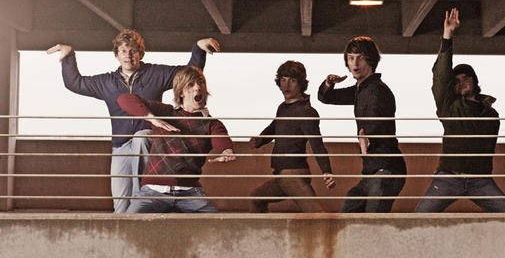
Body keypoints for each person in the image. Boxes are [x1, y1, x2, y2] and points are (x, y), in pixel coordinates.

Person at [46, 29, 220, 213]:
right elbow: (75, 83)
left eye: (133, 51)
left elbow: (187, 74)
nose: (128, 56)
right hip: (120, 146)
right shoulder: (106, 82)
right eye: (123, 51)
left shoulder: (156, 74)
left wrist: (198, 49)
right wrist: (68, 56)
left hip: (148, 142)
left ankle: (144, 200)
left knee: (141, 139)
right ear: (117, 55)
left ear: (140, 53)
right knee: (120, 207)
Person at [414, 8, 505, 212]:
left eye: (466, 77)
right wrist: (448, 35)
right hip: (449, 177)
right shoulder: (449, 107)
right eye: (457, 80)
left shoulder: (490, 113)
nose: (461, 81)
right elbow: (441, 76)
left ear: (475, 81)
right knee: (420, 216)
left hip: (480, 180)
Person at [117, 65, 235, 213]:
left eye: (200, 83)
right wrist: (153, 119)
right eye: (190, 85)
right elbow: (124, 99)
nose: (197, 88)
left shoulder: (212, 124)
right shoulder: (166, 112)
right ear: (181, 92)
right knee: (128, 222)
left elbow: (222, 141)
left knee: (219, 224)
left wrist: (226, 151)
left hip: (190, 193)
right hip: (153, 192)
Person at [318, 36, 406, 212]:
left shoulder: (377, 90)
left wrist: (365, 141)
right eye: (351, 58)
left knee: (371, 222)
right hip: (372, 171)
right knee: (350, 211)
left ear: (371, 60)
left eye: (361, 58)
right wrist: (329, 83)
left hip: (387, 169)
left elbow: (376, 124)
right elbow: (326, 97)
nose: (355, 63)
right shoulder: (361, 89)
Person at [249, 61, 335, 213]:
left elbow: (317, 144)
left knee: (317, 215)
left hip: (293, 174)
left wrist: (326, 171)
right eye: (283, 80)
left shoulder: (306, 112)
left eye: (292, 80)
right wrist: (259, 140)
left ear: (301, 83)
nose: (286, 85)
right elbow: (274, 127)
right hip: (281, 175)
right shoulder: (283, 107)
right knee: (256, 198)